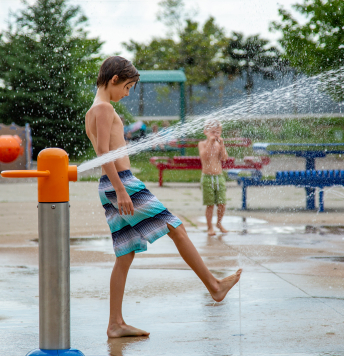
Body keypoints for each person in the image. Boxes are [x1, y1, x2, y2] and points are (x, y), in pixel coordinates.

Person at [85, 56, 242, 338]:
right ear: (114, 80)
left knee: (125, 254)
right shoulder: (104, 108)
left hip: (110, 184)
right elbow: (104, 153)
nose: (128, 93)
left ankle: (115, 324)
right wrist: (121, 189)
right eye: (128, 87)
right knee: (176, 228)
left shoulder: (93, 109)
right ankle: (215, 287)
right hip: (121, 183)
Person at [198, 119, 229, 235]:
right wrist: (210, 142)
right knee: (209, 204)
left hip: (219, 176)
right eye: (213, 132)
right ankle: (209, 226)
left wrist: (222, 145)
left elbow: (224, 158)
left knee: (222, 203)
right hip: (207, 178)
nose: (215, 135)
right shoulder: (202, 144)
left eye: (218, 132)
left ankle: (219, 223)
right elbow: (204, 157)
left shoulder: (218, 145)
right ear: (205, 132)